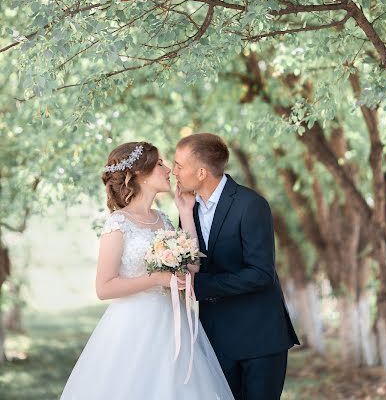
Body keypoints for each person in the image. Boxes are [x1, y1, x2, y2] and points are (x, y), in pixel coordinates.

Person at [59, 141, 234, 400]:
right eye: (161, 164)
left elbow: (193, 265)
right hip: (134, 326)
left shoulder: (161, 218)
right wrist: (158, 278)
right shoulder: (118, 223)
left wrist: (186, 212)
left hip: (173, 322)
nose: (169, 170)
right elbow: (104, 287)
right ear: (140, 174)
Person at [173, 133, 300, 400]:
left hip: (259, 337)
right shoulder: (188, 209)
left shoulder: (250, 204)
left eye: (179, 165)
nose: (174, 172)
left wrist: (202, 286)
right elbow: (186, 262)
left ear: (201, 172)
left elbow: (261, 274)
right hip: (214, 340)